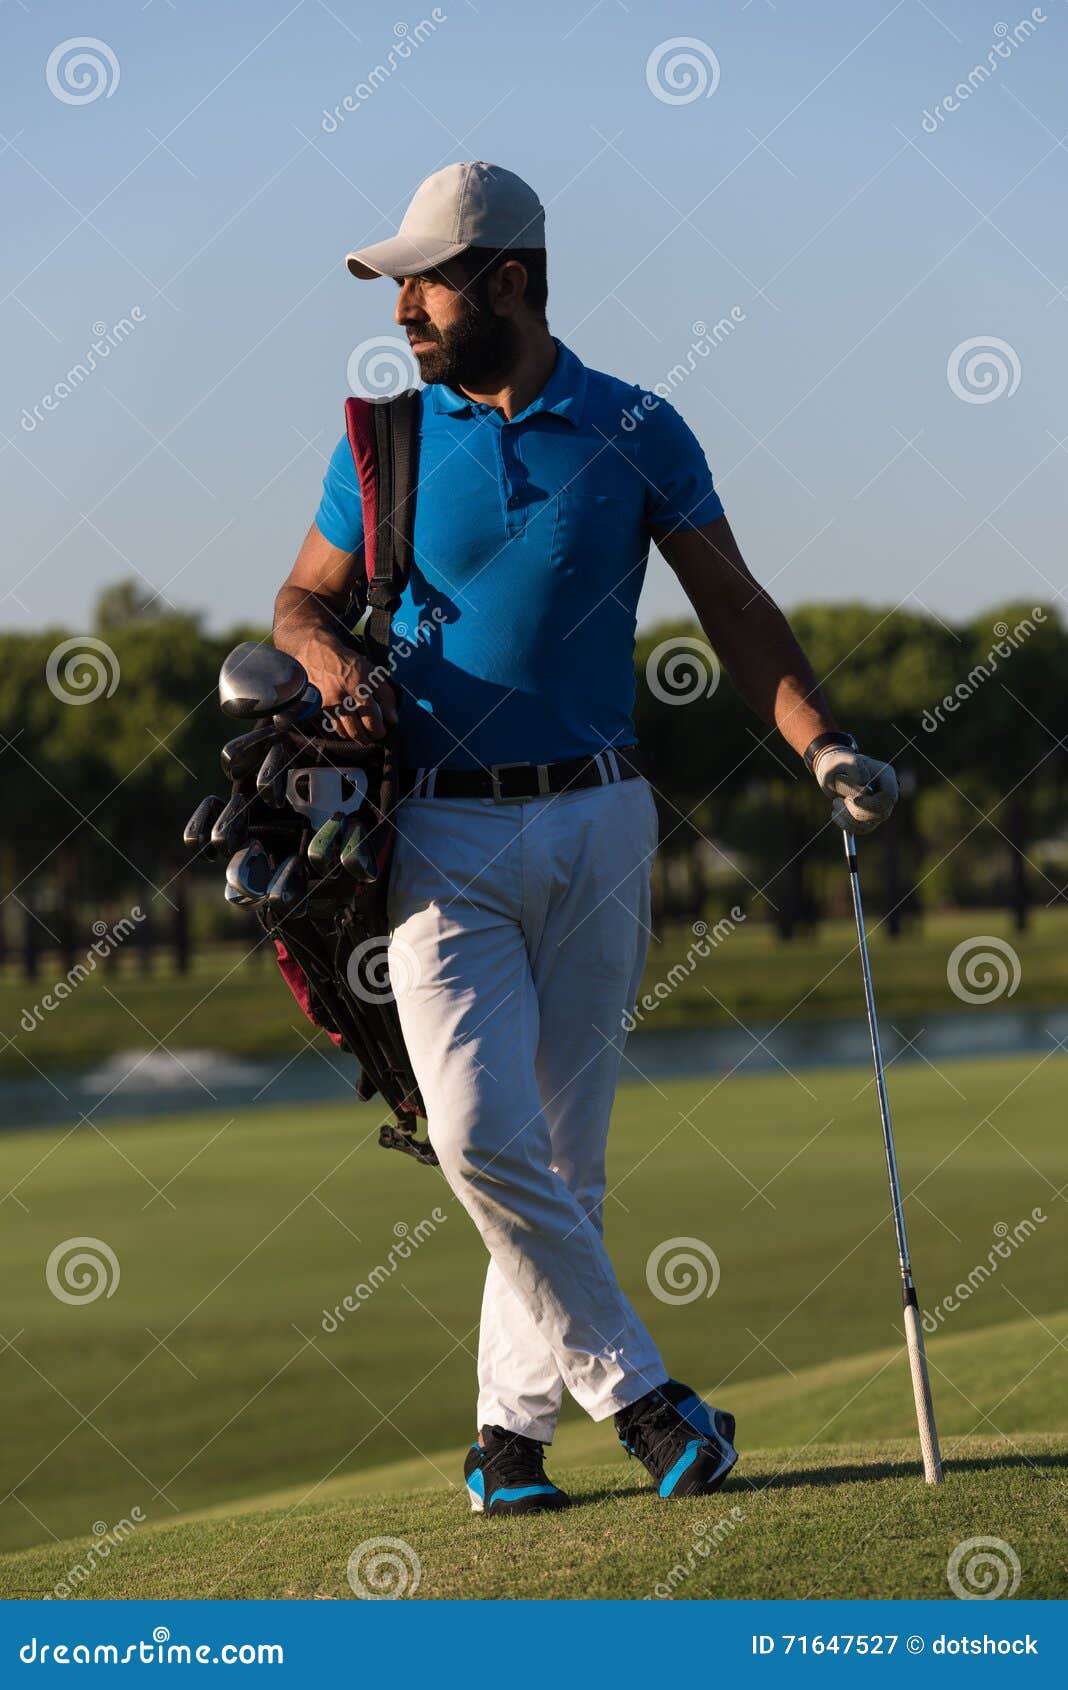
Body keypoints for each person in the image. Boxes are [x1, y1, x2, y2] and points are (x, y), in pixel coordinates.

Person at [274, 161, 897, 1516]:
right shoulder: (381, 439)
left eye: (425, 280)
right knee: (478, 1134)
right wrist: (326, 662)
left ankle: (506, 1445)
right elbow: (299, 604)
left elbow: (734, 610)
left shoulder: (636, 427)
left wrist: (823, 743)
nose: (405, 308)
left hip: (604, 818)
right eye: (398, 285)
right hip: (438, 830)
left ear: (510, 280)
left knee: (566, 1154)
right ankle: (653, 1403)